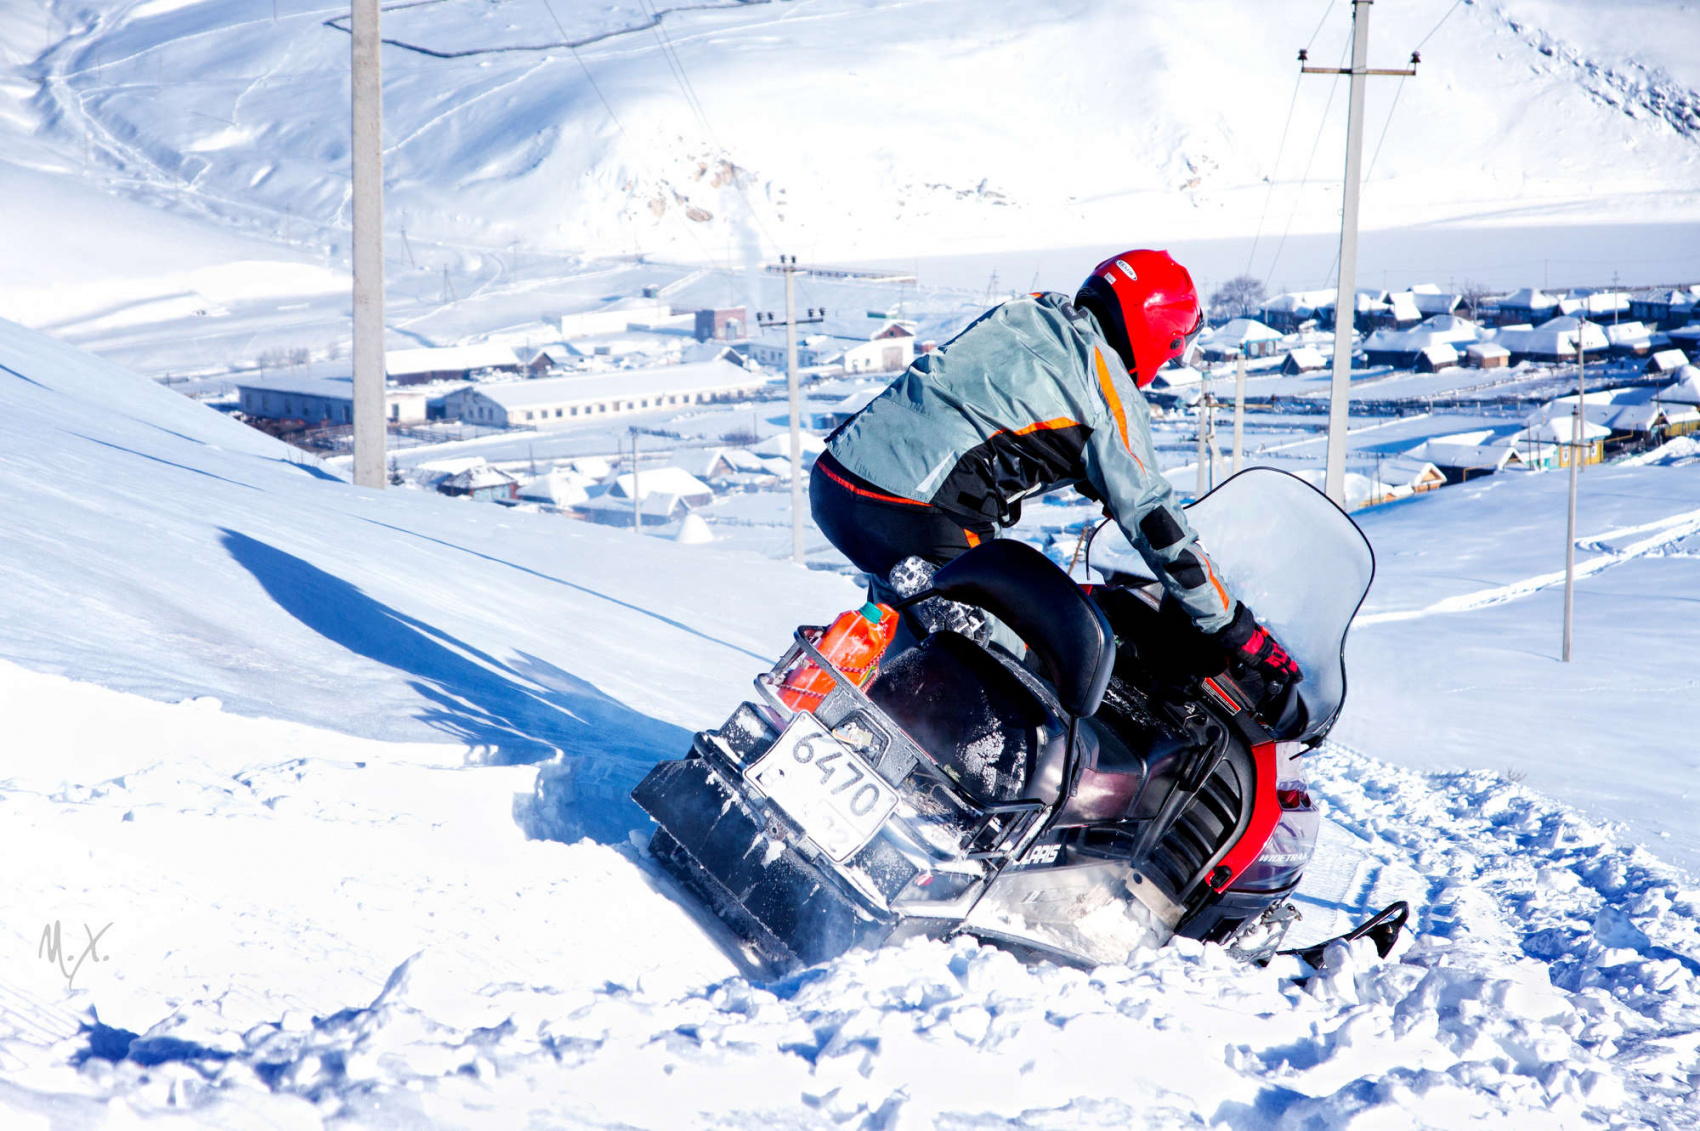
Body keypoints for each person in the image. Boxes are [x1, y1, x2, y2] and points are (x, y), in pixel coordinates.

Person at [809, 248, 1301, 715]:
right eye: (1176, 347)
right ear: (1161, 335)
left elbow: (1001, 410)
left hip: (837, 480)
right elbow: (1156, 522)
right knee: (1024, 670)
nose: (1171, 359)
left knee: (901, 641)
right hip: (917, 511)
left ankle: (829, 709)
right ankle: (970, 793)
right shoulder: (1108, 392)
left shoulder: (1031, 311)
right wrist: (1235, 629)